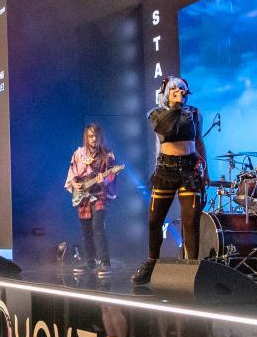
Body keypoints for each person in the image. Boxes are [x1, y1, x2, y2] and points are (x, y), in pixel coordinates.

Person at [131, 76, 209, 286]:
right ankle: (151, 264)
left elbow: (199, 142)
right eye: (175, 90)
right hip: (166, 169)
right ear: (167, 93)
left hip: (189, 169)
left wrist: (206, 172)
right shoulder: (156, 113)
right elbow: (167, 130)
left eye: (182, 90)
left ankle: (191, 269)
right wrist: (175, 106)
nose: (180, 93)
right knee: (154, 220)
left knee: (190, 222)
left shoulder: (194, 113)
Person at [64, 124, 118, 276]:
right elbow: (72, 172)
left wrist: (103, 180)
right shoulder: (79, 154)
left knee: (98, 227)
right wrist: (74, 183)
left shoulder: (107, 155)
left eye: (96, 136)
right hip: (83, 196)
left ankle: (105, 263)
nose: (94, 139)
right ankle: (90, 262)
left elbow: (111, 175)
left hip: (99, 194)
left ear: (100, 136)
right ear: (86, 137)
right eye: (90, 136)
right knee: (86, 231)